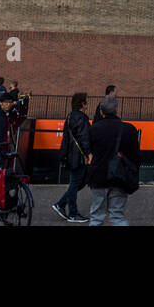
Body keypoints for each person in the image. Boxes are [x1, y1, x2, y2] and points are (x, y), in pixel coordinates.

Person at [87, 95, 140, 225]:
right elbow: (136, 156)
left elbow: (89, 152)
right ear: (117, 110)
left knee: (96, 217)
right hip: (119, 177)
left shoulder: (93, 129)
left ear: (101, 112)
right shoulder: (129, 129)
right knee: (117, 216)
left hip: (98, 177)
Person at [53, 92, 91, 223]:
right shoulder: (81, 118)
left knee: (78, 183)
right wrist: (89, 153)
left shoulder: (70, 116)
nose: (88, 104)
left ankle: (61, 204)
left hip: (71, 155)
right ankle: (73, 213)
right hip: (78, 156)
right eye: (86, 101)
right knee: (76, 183)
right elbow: (84, 137)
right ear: (82, 103)